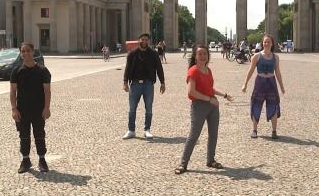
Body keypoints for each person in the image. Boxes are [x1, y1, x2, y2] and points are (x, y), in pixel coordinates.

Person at [175, 45, 233, 174]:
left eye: (205, 54)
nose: (202, 56)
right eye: (200, 54)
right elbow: (191, 91)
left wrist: (223, 95)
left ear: (208, 56)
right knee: (193, 136)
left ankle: (210, 160)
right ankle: (183, 164)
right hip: (199, 106)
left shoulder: (208, 70)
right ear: (195, 56)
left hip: (212, 106)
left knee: (213, 134)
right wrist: (209, 99)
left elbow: (209, 89)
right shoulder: (193, 71)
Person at [10, 42, 52, 173]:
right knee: (24, 136)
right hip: (22, 110)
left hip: (38, 110)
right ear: (21, 53)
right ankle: (25, 160)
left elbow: (47, 91)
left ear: (33, 52)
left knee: (39, 135)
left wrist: (47, 108)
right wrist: (14, 109)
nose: (25, 53)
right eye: (23, 51)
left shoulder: (42, 71)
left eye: (28, 51)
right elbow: (12, 91)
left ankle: (42, 160)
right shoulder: (16, 71)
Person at [241, 34, 285, 139]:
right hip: (260, 82)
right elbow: (250, 70)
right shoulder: (256, 56)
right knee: (256, 104)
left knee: (273, 105)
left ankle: (274, 131)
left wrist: (282, 87)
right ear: (262, 43)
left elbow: (278, 72)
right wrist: (245, 84)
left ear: (272, 43)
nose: (266, 43)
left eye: (269, 42)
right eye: (265, 42)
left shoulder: (276, 57)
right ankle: (254, 130)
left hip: (271, 82)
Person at [122, 33, 165, 140]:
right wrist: (125, 82)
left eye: (146, 40)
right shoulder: (132, 54)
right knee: (132, 109)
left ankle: (147, 130)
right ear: (139, 40)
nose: (144, 41)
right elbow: (127, 68)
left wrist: (162, 82)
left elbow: (159, 68)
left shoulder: (154, 54)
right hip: (135, 84)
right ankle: (131, 130)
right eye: (142, 39)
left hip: (148, 84)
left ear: (148, 41)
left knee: (149, 108)